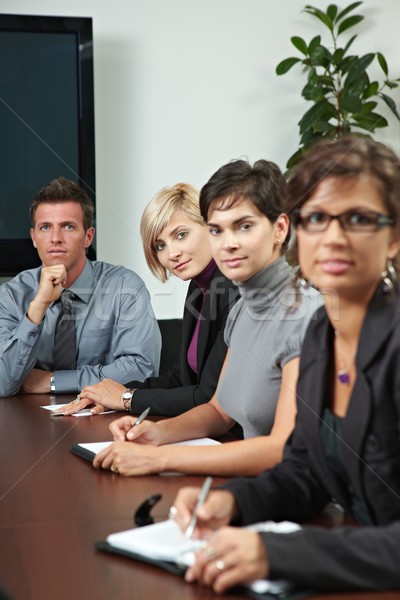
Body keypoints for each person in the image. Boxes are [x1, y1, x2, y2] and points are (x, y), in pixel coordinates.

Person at [172, 135, 400, 594]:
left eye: (356, 218)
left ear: (393, 238)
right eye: (315, 218)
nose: (331, 237)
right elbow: (308, 472)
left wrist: (277, 554)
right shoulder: (322, 334)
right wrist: (231, 502)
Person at [91, 158, 321, 477]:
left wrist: (161, 459)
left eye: (244, 226)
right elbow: (218, 411)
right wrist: (157, 434)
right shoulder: (242, 310)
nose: (228, 243)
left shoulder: (308, 316)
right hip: (255, 483)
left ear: (280, 229)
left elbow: (281, 449)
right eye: (216, 230)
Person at [60, 183, 239, 416]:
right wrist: (112, 392)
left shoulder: (234, 288)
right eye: (160, 245)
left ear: (210, 227)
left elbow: (210, 396)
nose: (172, 254)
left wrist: (127, 398)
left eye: (181, 235)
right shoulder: (199, 286)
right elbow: (182, 377)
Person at [0, 177, 161, 397]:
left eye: (68, 226)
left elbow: (142, 369)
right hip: (29, 422)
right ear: (34, 238)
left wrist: (54, 381)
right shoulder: (11, 295)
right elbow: (2, 382)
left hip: (103, 421)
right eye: (45, 227)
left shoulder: (125, 287)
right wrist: (38, 306)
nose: (55, 238)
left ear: (88, 237)